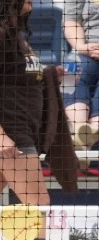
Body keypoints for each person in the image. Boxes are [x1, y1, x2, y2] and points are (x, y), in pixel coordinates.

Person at [0, 0, 53, 206]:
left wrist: (51, 74)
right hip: (10, 137)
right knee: (39, 207)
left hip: (18, 133)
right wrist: (0, 137)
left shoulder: (16, 38)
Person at [63, 0, 99, 145]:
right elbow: (71, 22)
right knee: (70, 70)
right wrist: (81, 46)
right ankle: (80, 130)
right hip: (86, 49)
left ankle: (90, 139)